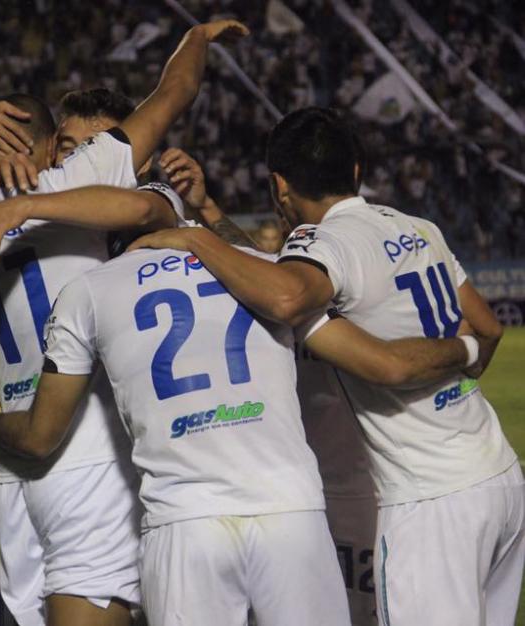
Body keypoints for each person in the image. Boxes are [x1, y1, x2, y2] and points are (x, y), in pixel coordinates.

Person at [129, 107, 523, 626]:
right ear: (356, 170)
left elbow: (287, 294)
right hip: (498, 478)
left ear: (280, 186)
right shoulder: (418, 227)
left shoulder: (321, 243)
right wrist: (210, 211)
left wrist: (196, 236)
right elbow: (486, 326)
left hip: (431, 501)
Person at [0, 19, 250, 626]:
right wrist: (197, 36)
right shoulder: (78, 181)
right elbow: (173, 94)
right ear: (46, 148)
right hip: (97, 455)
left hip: (15, 476)